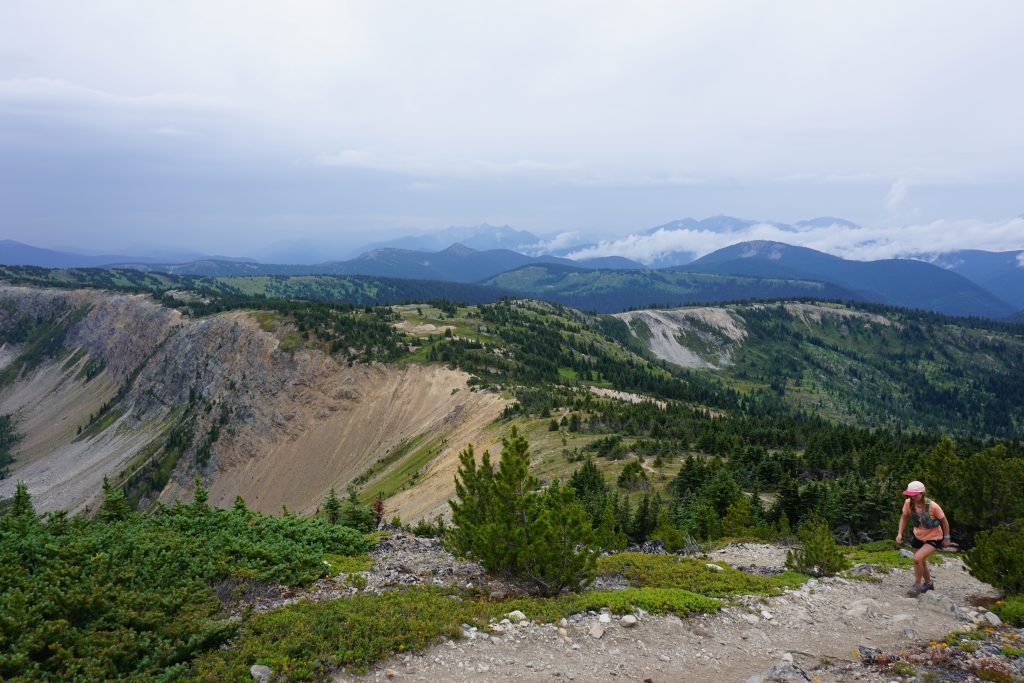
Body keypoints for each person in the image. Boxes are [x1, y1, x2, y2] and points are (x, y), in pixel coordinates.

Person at [895, 480, 951, 597]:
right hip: (918, 536)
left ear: (921, 493)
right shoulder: (908, 503)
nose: (911, 497)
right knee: (920, 561)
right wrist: (900, 533)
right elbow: (904, 517)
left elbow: (944, 521)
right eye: (909, 495)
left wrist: (946, 537)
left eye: (914, 495)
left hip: (934, 537)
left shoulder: (933, 506)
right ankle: (928, 583)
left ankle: (917, 585)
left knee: (917, 559)